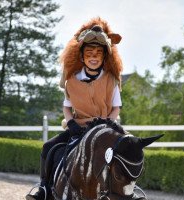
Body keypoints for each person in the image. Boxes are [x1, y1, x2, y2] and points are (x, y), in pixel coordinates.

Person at [26, 17, 123, 200]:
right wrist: (71, 124)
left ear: (104, 57)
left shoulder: (112, 80)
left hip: (105, 128)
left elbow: (116, 108)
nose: (93, 58)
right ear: (81, 56)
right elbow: (67, 108)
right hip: (78, 128)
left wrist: (107, 123)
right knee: (49, 147)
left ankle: (128, 192)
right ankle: (44, 189)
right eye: (89, 54)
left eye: (98, 54)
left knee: (129, 150)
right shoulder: (72, 80)